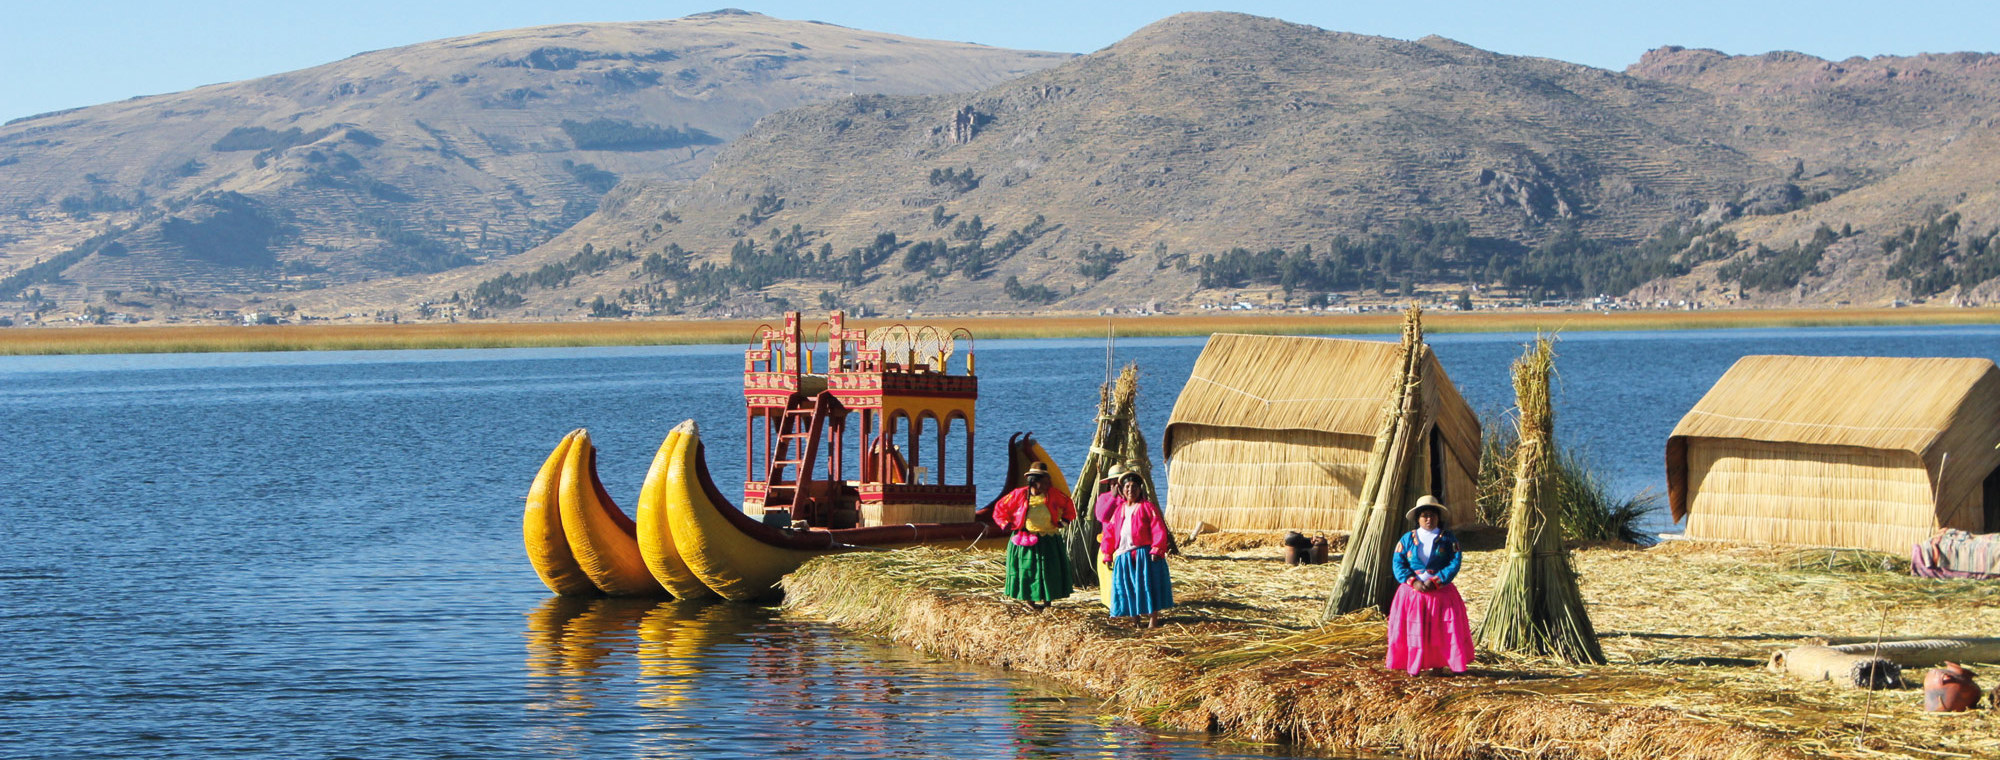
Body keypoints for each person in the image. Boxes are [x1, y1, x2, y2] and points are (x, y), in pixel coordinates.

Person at [1386, 495, 1475, 675]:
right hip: (1412, 595)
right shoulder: (1407, 539)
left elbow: (1454, 562)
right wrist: (1413, 582)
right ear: (1418, 518)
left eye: (1432, 515)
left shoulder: (1448, 539)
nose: (1428, 519)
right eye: (1424, 515)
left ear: (1438, 517)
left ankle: (1439, 665)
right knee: (1414, 630)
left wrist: (1437, 581)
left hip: (1440, 594)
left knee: (1440, 630)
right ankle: (1413, 664)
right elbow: (1398, 563)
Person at [993, 461, 1075, 610]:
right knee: (1027, 571)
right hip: (1026, 540)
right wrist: (1006, 524)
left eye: (1047, 481)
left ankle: (1047, 602)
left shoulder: (1054, 494)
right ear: (1034, 482)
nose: (1047, 484)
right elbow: (1000, 508)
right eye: (1044, 482)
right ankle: (1030, 602)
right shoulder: (1019, 495)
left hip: (1048, 539)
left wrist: (1064, 522)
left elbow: (1069, 505)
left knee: (1049, 571)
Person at [1100, 472, 1173, 628]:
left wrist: (1157, 549)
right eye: (1127, 486)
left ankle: (1153, 619)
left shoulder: (1147, 507)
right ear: (1122, 489)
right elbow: (1110, 533)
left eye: (1134, 487)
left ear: (1140, 489)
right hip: (1124, 555)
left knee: (1148, 585)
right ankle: (1135, 620)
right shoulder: (1119, 510)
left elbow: (1158, 528)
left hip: (1144, 554)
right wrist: (1107, 553)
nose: (1130, 490)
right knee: (1129, 587)